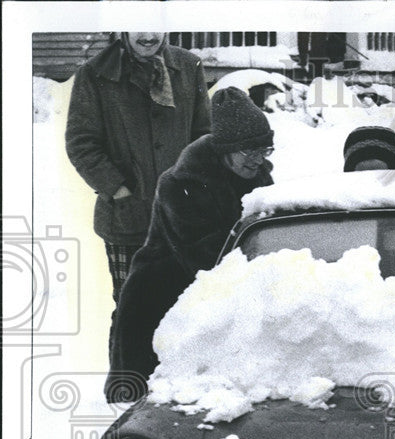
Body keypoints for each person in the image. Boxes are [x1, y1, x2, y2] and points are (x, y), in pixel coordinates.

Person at [104, 87, 274, 403]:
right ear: (226, 148)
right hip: (163, 288)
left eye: (265, 149)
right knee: (152, 396)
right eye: (250, 150)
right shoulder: (181, 184)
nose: (259, 158)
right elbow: (202, 255)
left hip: (222, 282)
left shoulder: (258, 176)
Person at [65, 32, 211, 346]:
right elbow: (81, 143)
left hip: (180, 220)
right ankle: (126, 387)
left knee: (183, 310)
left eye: (154, 26)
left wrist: (195, 190)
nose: (147, 36)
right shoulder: (96, 73)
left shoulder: (188, 66)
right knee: (132, 310)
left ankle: (174, 388)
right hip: (127, 218)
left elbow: (204, 135)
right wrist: (118, 189)